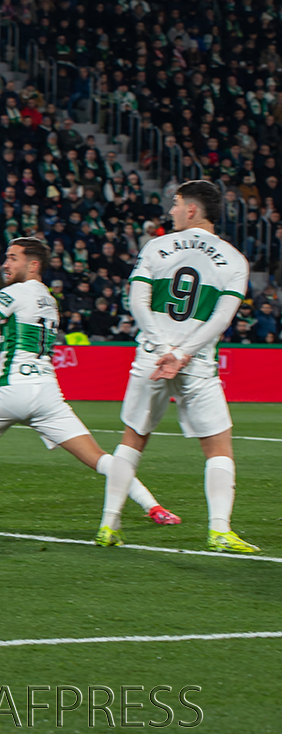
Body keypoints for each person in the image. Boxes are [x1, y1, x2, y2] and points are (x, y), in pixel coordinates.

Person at [0, 238, 177, 525]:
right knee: (98, 458)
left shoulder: (16, 293)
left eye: (12, 258)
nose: (5, 264)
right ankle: (154, 507)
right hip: (47, 394)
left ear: (33, 265)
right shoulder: (47, 299)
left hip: (11, 391)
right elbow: (3, 343)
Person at [99, 181, 257, 553]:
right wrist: (183, 353)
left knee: (132, 440)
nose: (170, 211)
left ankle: (108, 523)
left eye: (175, 204)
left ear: (191, 209)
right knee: (218, 447)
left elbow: (138, 302)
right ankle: (219, 530)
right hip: (197, 362)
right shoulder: (235, 259)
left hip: (152, 358)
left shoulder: (156, 246)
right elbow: (222, 319)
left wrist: (162, 347)